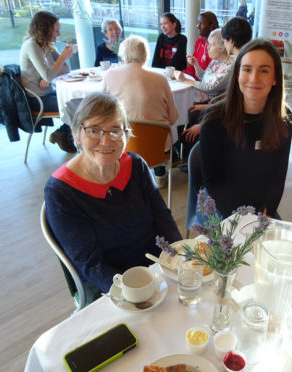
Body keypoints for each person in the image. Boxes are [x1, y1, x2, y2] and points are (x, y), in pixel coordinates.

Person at [44, 92, 182, 299]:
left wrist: (178, 259)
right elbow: (89, 264)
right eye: (94, 130)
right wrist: (136, 292)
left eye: (116, 130)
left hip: (158, 268)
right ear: (76, 133)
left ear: (127, 134)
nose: (106, 141)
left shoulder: (135, 165)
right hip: (111, 287)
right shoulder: (61, 191)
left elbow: (163, 219)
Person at [200, 39, 292, 218]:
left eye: (264, 70)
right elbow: (213, 183)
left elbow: (278, 175)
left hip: (260, 207)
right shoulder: (214, 120)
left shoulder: (284, 118)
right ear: (237, 75)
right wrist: (241, 220)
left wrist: (269, 210)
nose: (254, 78)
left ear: (275, 78)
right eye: (247, 69)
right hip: (220, 205)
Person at [103, 35, 178, 188]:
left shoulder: (109, 76)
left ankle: (123, 176)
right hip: (155, 147)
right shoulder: (161, 79)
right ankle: (159, 173)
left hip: (121, 145)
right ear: (145, 55)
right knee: (158, 128)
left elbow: (103, 114)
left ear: (123, 55)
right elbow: (173, 117)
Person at [179, 17, 253, 147]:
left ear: (230, 40)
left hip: (226, 115)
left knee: (191, 111)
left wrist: (205, 118)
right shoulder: (244, 61)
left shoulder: (238, 65)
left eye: (223, 40)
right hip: (223, 108)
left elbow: (233, 102)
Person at [19, 10, 76, 153]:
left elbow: (66, 69)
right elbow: (50, 74)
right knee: (79, 106)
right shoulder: (32, 45)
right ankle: (64, 133)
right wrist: (61, 59)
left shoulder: (46, 45)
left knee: (80, 101)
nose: (58, 34)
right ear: (45, 29)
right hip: (36, 99)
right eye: (56, 30)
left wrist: (48, 76)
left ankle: (63, 132)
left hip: (47, 93)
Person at [182, 11, 219, 80]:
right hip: (195, 82)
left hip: (206, 83)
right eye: (197, 23)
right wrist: (184, 76)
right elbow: (192, 66)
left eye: (201, 23)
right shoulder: (199, 42)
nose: (197, 26)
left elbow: (212, 74)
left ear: (210, 26)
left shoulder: (217, 46)